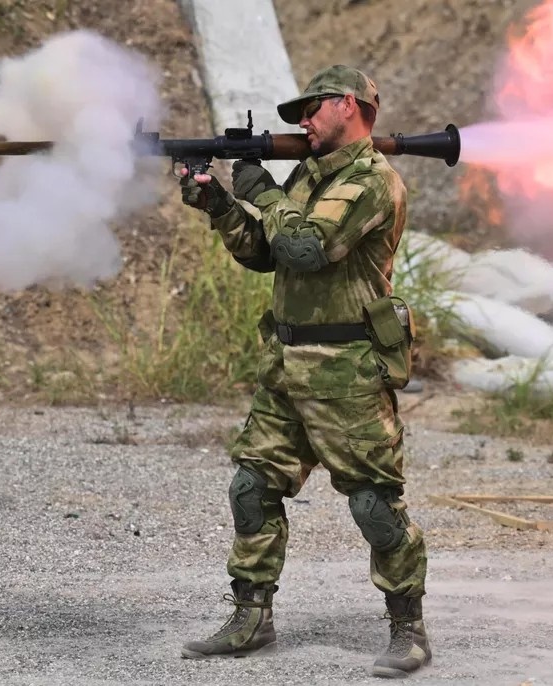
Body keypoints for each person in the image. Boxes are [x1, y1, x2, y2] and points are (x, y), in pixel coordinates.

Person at [177, 65, 431, 678]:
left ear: (350, 103)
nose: (303, 122)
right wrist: (218, 203)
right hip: (289, 364)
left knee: (373, 502)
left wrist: (260, 190)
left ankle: (408, 627)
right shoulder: (311, 179)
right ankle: (251, 615)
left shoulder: (371, 180)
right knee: (252, 487)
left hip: (347, 369)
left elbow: (307, 247)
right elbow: (267, 254)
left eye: (312, 108)